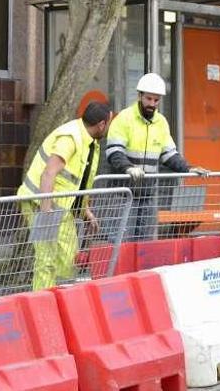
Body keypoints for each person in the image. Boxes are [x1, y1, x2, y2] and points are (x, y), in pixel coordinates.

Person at [17, 101, 112, 290]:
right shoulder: (71, 138)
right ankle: (41, 304)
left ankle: (59, 299)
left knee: (70, 260)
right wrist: (46, 211)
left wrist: (85, 211)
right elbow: (49, 173)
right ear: (101, 124)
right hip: (40, 205)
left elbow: (80, 181)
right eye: (108, 124)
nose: (108, 128)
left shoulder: (90, 142)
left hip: (60, 208)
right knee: (46, 259)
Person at [105, 73, 209, 240]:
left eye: (156, 100)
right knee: (120, 242)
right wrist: (128, 168)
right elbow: (113, 151)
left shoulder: (161, 122)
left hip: (147, 194)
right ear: (139, 96)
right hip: (123, 194)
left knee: (144, 243)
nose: (152, 104)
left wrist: (189, 168)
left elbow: (169, 154)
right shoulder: (124, 118)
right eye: (148, 99)